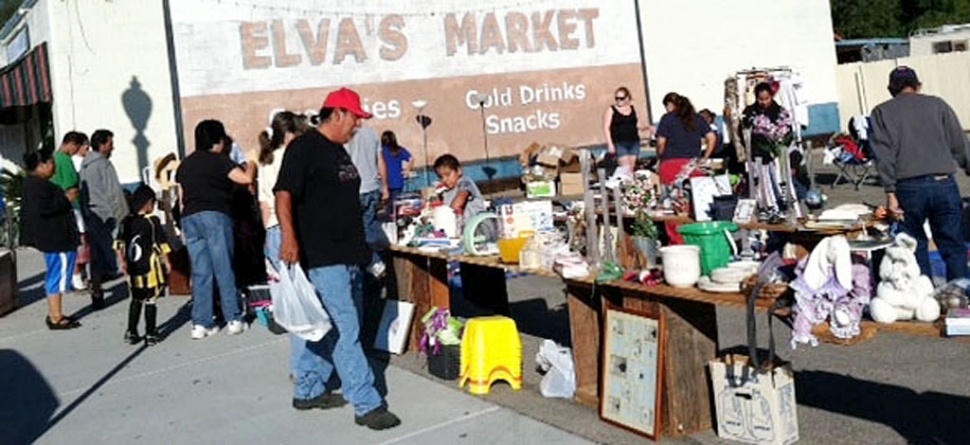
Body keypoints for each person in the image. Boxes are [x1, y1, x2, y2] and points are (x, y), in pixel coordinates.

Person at [275, 87, 401, 430]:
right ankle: (367, 404)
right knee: (347, 330)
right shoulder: (304, 148)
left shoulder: (338, 151)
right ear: (338, 114)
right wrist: (288, 237)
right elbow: (283, 194)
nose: (357, 126)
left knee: (332, 326)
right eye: (355, 119)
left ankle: (309, 388)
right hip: (323, 256)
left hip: (349, 254)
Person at [870, 66, 970, 281]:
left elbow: (883, 156)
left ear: (890, 89)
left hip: (908, 188)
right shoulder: (937, 105)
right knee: (953, 243)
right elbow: (960, 144)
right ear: (918, 85)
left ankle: (924, 299)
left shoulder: (881, 112)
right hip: (944, 183)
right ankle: (961, 299)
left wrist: (890, 192)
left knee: (914, 245)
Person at [176, 120, 256, 339]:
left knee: (201, 271)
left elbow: (182, 194)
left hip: (190, 218)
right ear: (218, 141)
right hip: (215, 216)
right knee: (223, 267)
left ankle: (200, 323)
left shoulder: (186, 164)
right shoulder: (219, 161)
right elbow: (245, 178)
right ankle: (234, 318)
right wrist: (251, 163)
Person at [257, 110, 310, 377]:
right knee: (303, 300)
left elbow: (264, 205)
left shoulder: (265, 161)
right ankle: (302, 368)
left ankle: (301, 365)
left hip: (273, 231)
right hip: (291, 230)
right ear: (290, 133)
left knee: (290, 300)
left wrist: (268, 239)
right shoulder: (291, 157)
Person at [433, 154, 507, 315]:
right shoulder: (446, 192)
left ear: (458, 171)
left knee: (489, 279)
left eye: (448, 175)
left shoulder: (465, 182)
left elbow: (460, 200)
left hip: (483, 237)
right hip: (465, 242)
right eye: (441, 177)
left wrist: (446, 210)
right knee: (472, 283)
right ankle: (479, 313)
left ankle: (499, 314)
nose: (445, 180)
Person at [20, 149, 81, 330]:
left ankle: (56, 313)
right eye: (51, 163)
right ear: (42, 165)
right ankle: (55, 317)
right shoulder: (36, 186)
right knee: (57, 276)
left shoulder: (37, 184)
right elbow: (44, 209)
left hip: (55, 238)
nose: (54, 166)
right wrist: (66, 199)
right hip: (55, 239)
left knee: (57, 274)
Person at [656, 93, 717, 244]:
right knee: (692, 206)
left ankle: (677, 242)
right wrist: (704, 158)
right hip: (691, 165)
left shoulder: (667, 119)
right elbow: (712, 138)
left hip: (670, 164)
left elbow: (661, 143)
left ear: (670, 105)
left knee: (672, 207)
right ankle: (695, 239)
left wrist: (660, 156)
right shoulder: (696, 118)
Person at [79, 129, 129, 310]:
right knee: (120, 251)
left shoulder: (85, 165)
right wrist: (122, 215)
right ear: (102, 145)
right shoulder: (103, 165)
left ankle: (97, 291)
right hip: (108, 216)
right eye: (110, 143)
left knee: (97, 257)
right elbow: (113, 193)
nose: (112, 147)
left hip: (93, 216)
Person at [116, 185, 171, 346]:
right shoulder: (152, 221)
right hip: (150, 268)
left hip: (133, 268)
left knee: (135, 298)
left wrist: (122, 261)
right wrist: (167, 262)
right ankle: (151, 333)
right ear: (148, 203)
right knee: (151, 299)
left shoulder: (126, 221)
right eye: (153, 203)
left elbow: (118, 244)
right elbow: (161, 244)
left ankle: (131, 331)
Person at [345, 124, 389, 278]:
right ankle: (374, 262)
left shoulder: (345, 134)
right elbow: (380, 161)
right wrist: (384, 186)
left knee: (353, 233)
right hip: (372, 188)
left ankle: (372, 262)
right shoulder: (372, 133)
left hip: (354, 189)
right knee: (367, 228)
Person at [51, 131, 90, 290]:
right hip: (72, 208)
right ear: (71, 144)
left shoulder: (54, 158)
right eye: (77, 147)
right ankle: (76, 277)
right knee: (78, 243)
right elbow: (71, 184)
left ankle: (74, 277)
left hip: (59, 207)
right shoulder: (64, 160)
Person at [602, 86, 653, 176]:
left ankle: (631, 186)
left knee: (632, 168)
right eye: (616, 98)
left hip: (633, 141)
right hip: (620, 142)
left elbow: (637, 125)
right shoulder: (611, 110)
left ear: (627, 98)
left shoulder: (632, 108)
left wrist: (648, 127)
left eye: (621, 98)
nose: (619, 101)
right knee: (626, 169)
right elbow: (606, 127)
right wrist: (610, 144)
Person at [380, 130, 413, 218]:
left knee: (388, 204)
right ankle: (396, 219)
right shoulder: (399, 150)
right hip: (398, 180)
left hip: (386, 180)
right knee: (397, 204)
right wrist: (407, 170)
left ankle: (389, 220)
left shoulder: (381, 151)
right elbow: (411, 158)